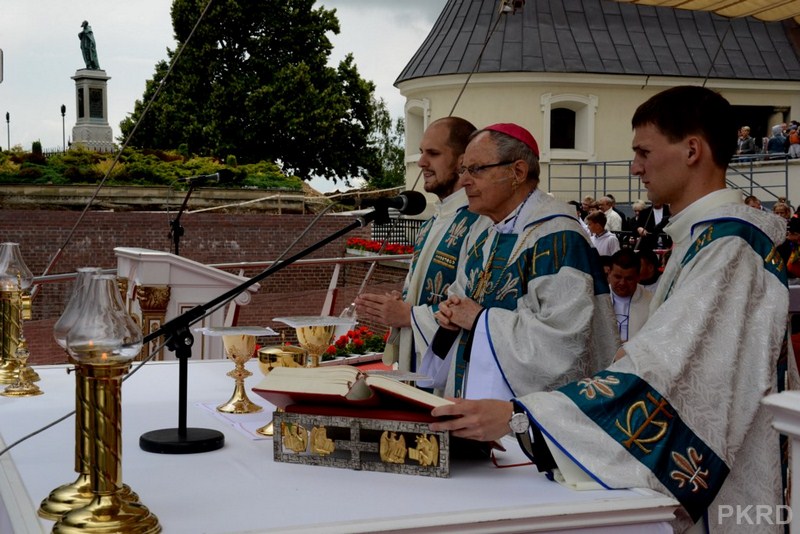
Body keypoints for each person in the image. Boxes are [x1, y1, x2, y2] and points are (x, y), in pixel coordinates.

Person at [429, 86, 796, 533]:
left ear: (692, 150)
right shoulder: (704, 238)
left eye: (643, 152)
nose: (635, 167)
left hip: (724, 499)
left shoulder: (730, 247)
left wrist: (521, 418)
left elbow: (667, 380)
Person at [418, 123, 619, 400]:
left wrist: (479, 320)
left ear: (518, 172)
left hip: (522, 415)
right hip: (471, 401)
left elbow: (563, 344)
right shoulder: (486, 234)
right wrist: (451, 314)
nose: (464, 181)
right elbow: (462, 299)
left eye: (476, 169)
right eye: (463, 170)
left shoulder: (559, 238)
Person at [355, 117, 486, 373]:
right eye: (422, 152)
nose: (421, 162)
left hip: (451, 372)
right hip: (416, 361)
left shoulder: (480, 221)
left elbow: (477, 304)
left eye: (433, 153)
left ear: (462, 161)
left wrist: (408, 315)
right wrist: (402, 302)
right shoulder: (431, 223)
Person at [607, 248, 651, 342]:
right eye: (617, 277)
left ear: (638, 277)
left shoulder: (652, 301)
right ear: (609, 273)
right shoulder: (598, 298)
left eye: (629, 279)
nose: (622, 283)